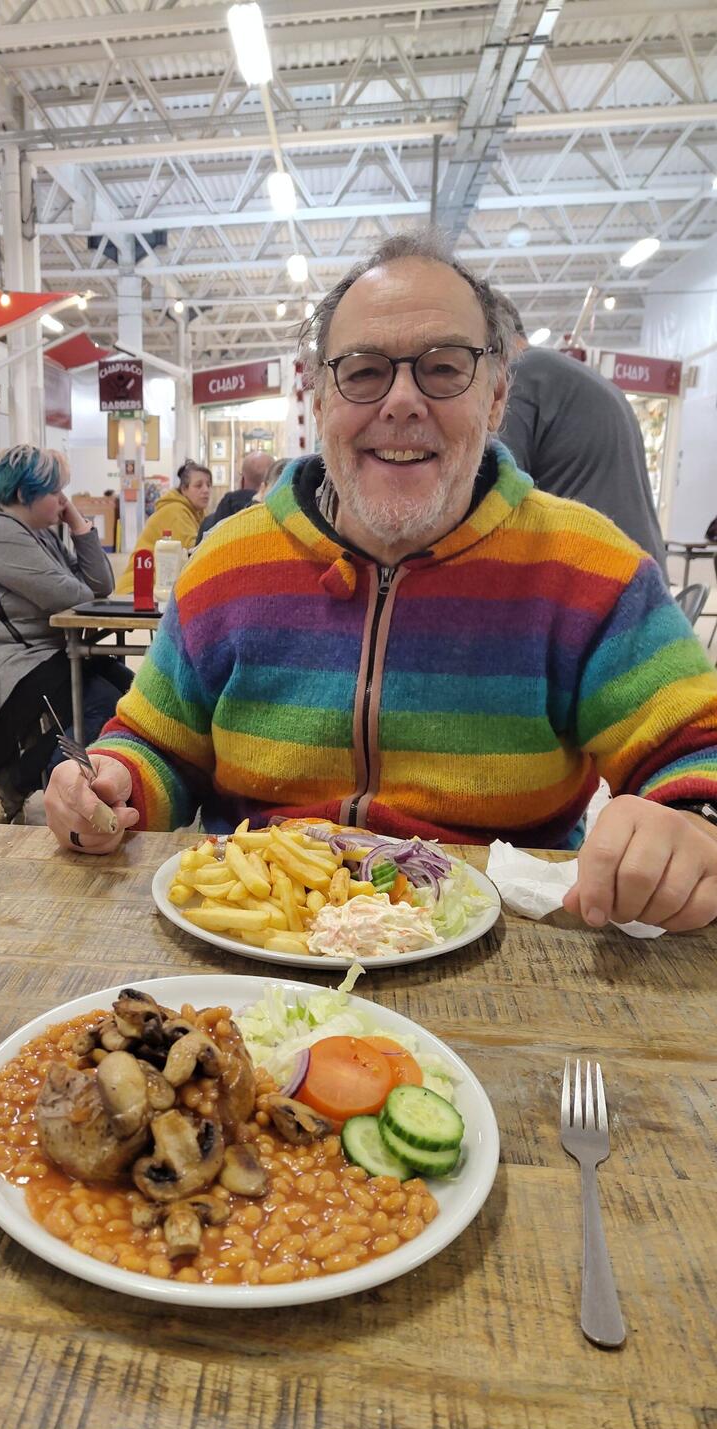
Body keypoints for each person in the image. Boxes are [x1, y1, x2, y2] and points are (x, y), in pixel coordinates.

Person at [44, 229, 717, 933]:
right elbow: (157, 743)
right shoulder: (225, 564)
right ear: (319, 401)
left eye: (444, 367)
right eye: (363, 372)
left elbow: (698, 749)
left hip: (506, 953)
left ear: (494, 398)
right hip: (252, 949)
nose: (401, 401)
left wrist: (692, 826)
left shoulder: (587, 570)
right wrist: (110, 782)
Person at [0, 445, 132, 822]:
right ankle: (21, 784)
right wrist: (78, 569)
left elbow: (100, 584)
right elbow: (74, 595)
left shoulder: (38, 531)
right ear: (25, 495)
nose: (63, 500)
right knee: (102, 705)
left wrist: (77, 524)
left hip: (37, 651)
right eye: (56, 492)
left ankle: (61, 779)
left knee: (133, 693)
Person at [495, 293, 667, 575]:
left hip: (597, 578)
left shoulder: (519, 376)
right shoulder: (574, 376)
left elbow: (497, 495)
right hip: (641, 573)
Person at [115, 461, 212, 593]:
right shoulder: (176, 511)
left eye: (208, 485)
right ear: (184, 489)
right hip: (138, 591)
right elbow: (194, 551)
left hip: (156, 589)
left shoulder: (196, 512)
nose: (206, 490)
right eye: (198, 485)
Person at [196, 449, 274, 542]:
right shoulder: (279, 522)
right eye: (198, 485)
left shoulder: (209, 524)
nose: (205, 490)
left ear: (242, 481)